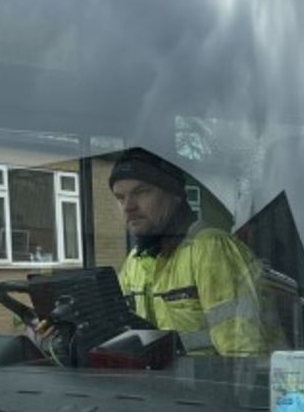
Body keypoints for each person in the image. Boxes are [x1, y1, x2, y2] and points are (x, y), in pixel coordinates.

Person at [109, 147, 277, 357]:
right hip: (159, 386)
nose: (128, 207)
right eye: (120, 198)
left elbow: (244, 356)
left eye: (141, 192)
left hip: (209, 386)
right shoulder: (135, 261)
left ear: (175, 194)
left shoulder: (211, 249)